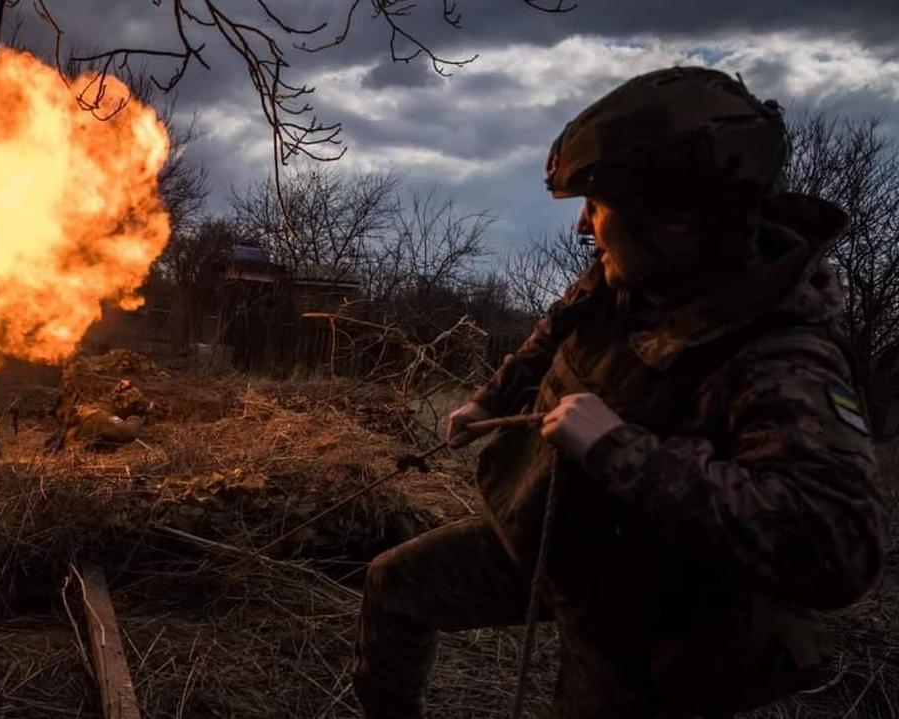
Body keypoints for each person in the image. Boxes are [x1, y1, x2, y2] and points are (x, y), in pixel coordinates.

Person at [351, 67, 888, 719]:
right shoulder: (631, 274)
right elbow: (557, 329)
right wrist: (492, 398)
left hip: (654, 623)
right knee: (395, 583)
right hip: (558, 539)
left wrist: (618, 448)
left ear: (673, 225)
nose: (584, 225)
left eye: (599, 206)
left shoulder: (784, 358)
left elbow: (837, 549)